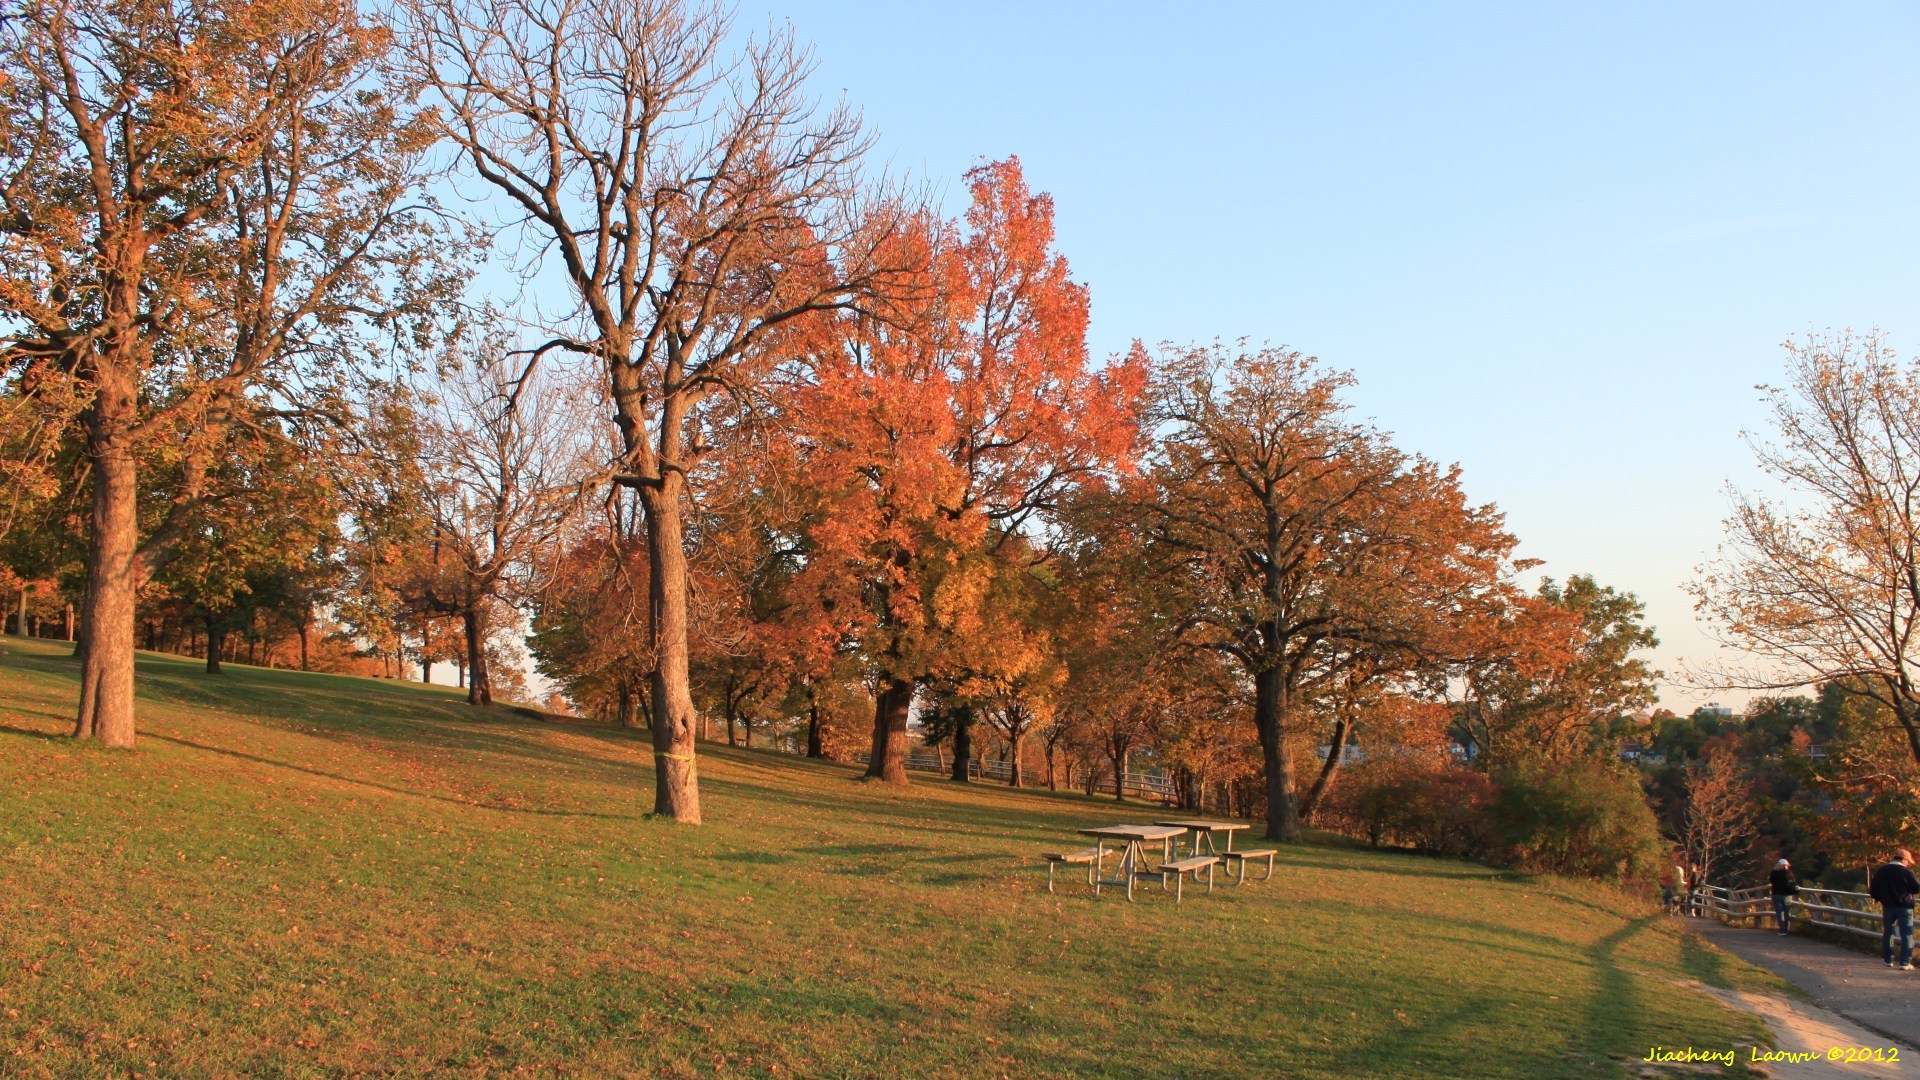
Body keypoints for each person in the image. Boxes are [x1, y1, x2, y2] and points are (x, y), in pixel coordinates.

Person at [1869, 849, 1920, 970]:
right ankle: (1905, 962)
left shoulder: (1882, 870)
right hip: (1904, 907)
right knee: (1906, 934)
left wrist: (1881, 899)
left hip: (1888, 906)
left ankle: (1887, 959)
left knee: (1888, 932)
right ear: (1904, 859)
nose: (1908, 864)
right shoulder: (1906, 871)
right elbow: (1916, 888)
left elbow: (1873, 890)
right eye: (1908, 861)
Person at [1768, 858, 1799, 935]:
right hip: (1786, 895)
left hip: (1776, 895)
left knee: (1779, 913)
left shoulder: (1773, 873)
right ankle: (1786, 928)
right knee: (1786, 912)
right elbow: (1793, 883)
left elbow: (1771, 881)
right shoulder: (1788, 873)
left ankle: (1782, 930)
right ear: (1785, 865)